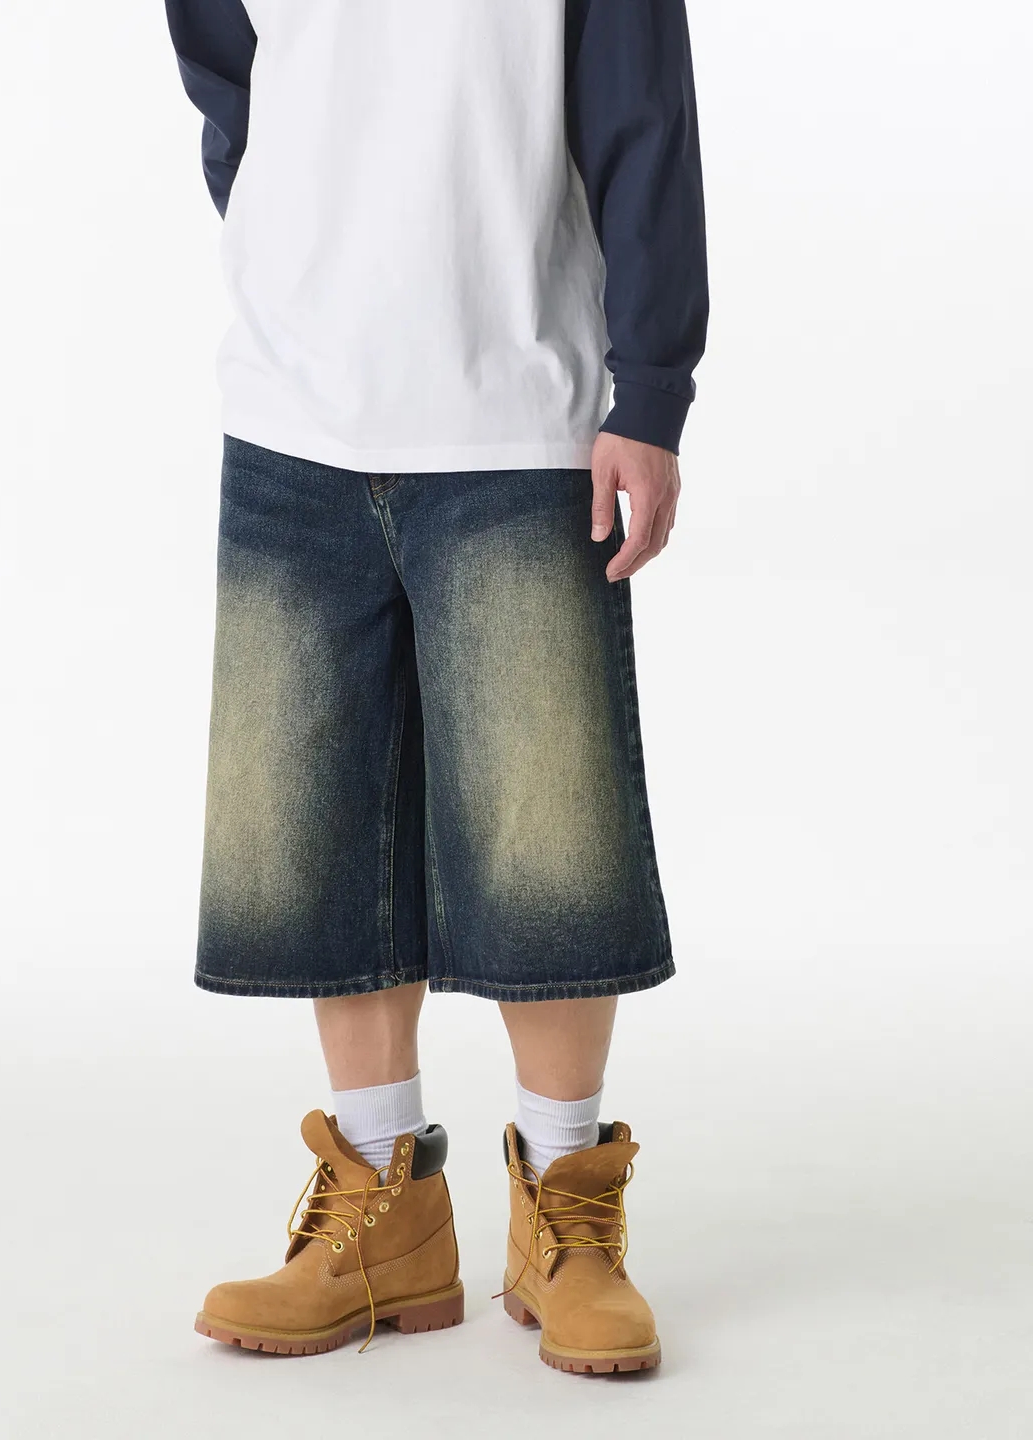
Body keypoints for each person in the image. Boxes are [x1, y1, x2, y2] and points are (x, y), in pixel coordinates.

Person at [164, 0, 707, 1375]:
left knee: (549, 837)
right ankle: (383, 1206)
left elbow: (642, 111)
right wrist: (294, 236)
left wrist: (651, 386)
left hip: (516, 404)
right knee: (318, 836)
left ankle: (567, 1218)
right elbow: (227, 73)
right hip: (291, 403)